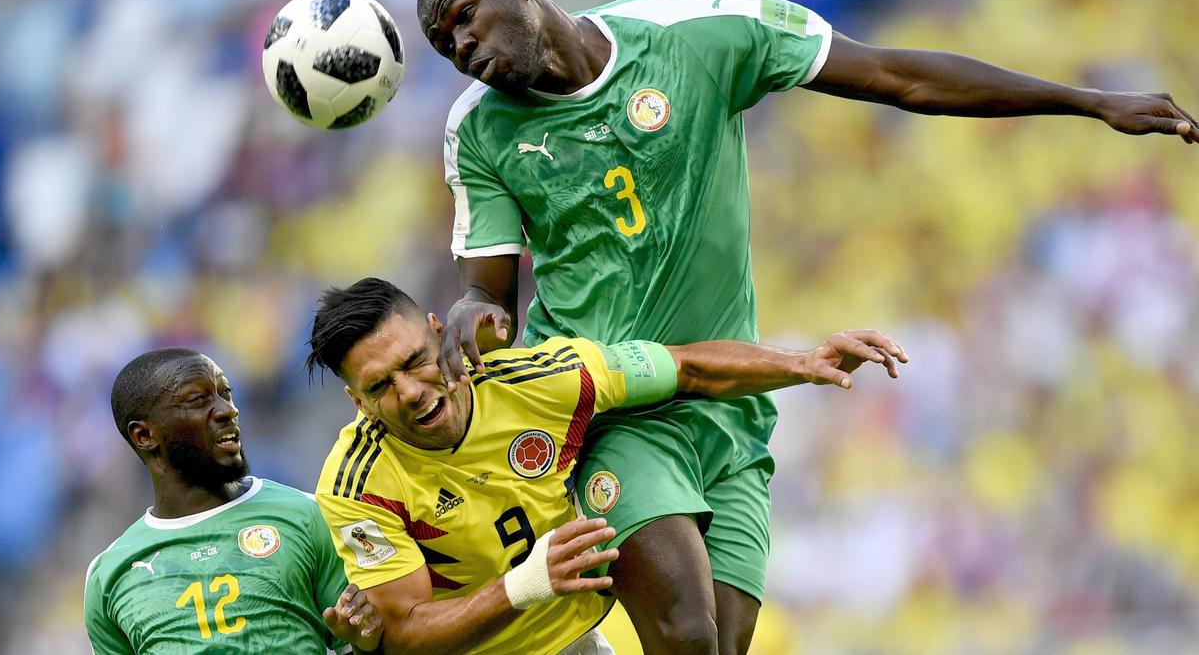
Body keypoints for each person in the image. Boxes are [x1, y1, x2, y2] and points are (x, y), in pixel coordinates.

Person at [415, 0, 1197, 653]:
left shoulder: (702, 33)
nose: (463, 48)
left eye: (465, 18)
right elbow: (488, 295)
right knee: (685, 633)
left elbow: (896, 76)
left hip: (731, 402)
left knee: (722, 642)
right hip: (610, 404)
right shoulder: (478, 130)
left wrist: (1086, 102)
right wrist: (473, 315)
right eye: (445, 46)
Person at [307, 276, 907, 655]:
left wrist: (802, 363)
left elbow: (686, 367)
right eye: (380, 386)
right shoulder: (355, 482)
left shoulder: (540, 382)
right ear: (357, 401)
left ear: (438, 332)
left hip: (580, 643)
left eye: (415, 360)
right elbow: (407, 632)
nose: (411, 392)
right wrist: (525, 583)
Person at [84, 348, 383, 654]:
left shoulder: (309, 515)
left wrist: (366, 645)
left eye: (225, 394)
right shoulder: (110, 574)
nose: (228, 410)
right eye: (198, 400)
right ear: (144, 435)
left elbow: (367, 638)